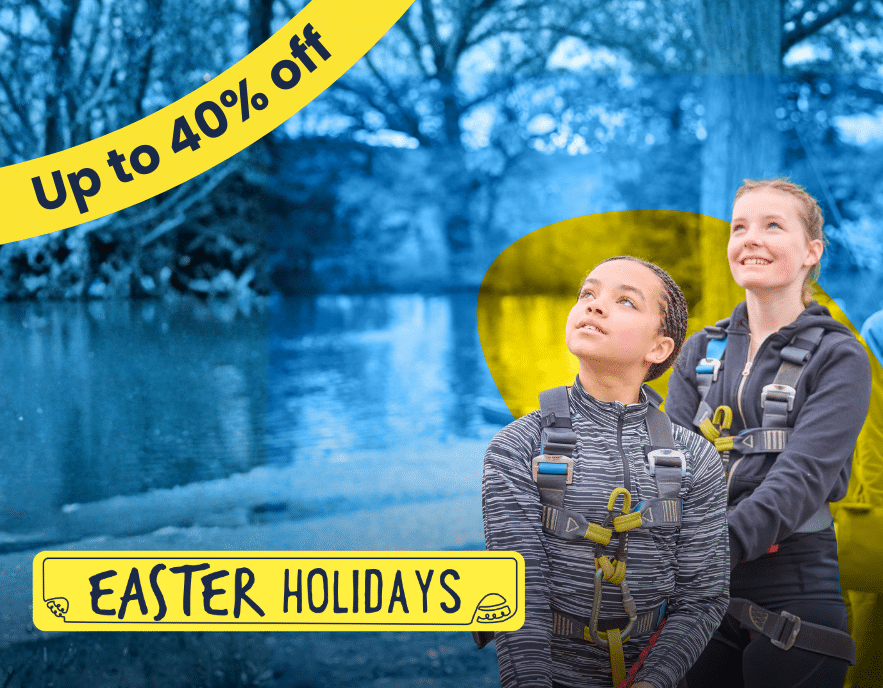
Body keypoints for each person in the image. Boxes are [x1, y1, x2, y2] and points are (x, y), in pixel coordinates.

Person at [482, 256, 729, 688]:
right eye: (588, 294)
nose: (594, 306)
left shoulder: (696, 458)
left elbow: (703, 598)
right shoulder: (517, 447)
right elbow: (516, 595)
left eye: (626, 302)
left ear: (659, 349)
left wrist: (653, 681)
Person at [665, 179, 872, 688]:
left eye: (772, 225)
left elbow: (801, 479)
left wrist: (712, 546)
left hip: (795, 588)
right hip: (698, 594)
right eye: (739, 227)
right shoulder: (698, 351)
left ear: (811, 252)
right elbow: (667, 466)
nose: (749, 238)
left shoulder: (840, 356)